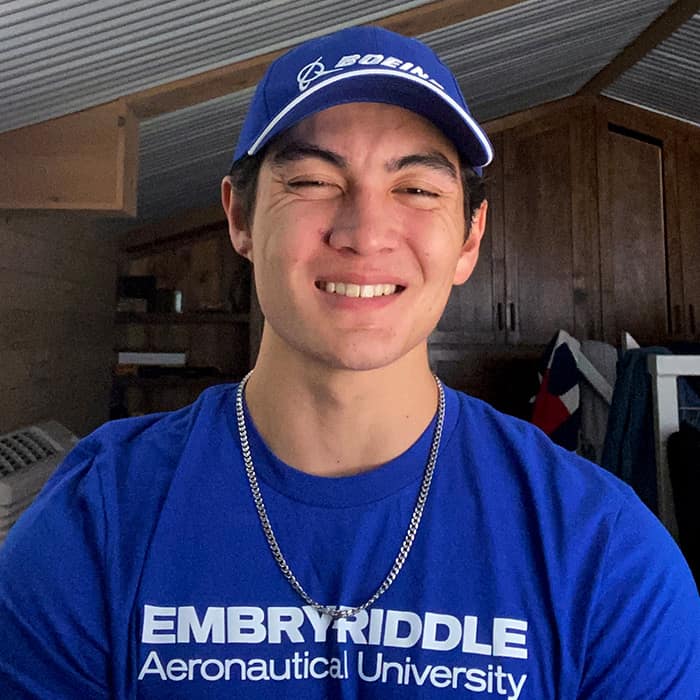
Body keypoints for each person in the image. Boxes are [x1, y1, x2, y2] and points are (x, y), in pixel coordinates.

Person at [0, 25, 698, 700]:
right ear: (239, 218)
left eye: (418, 190)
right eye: (311, 181)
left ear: (469, 238)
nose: (365, 232)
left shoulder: (604, 550)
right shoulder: (96, 520)